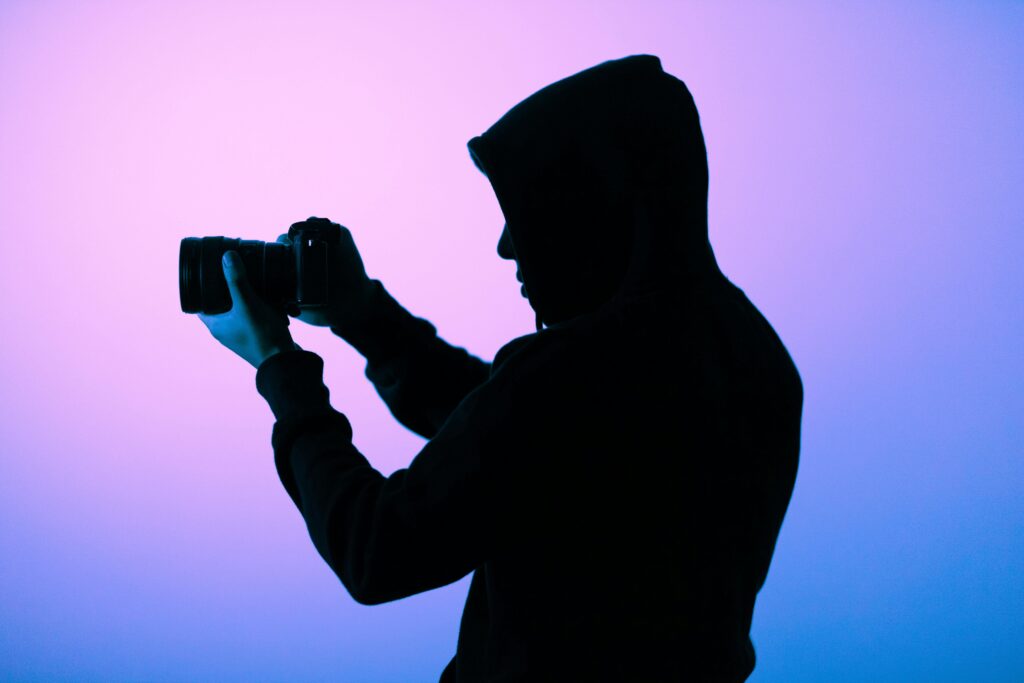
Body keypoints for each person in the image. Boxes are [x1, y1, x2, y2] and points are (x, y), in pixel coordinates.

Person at [199, 54, 803, 682]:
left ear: (593, 202)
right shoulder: (752, 356)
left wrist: (279, 365)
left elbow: (375, 546)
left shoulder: (577, 375)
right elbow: (515, 430)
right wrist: (362, 313)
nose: (506, 245)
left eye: (529, 212)